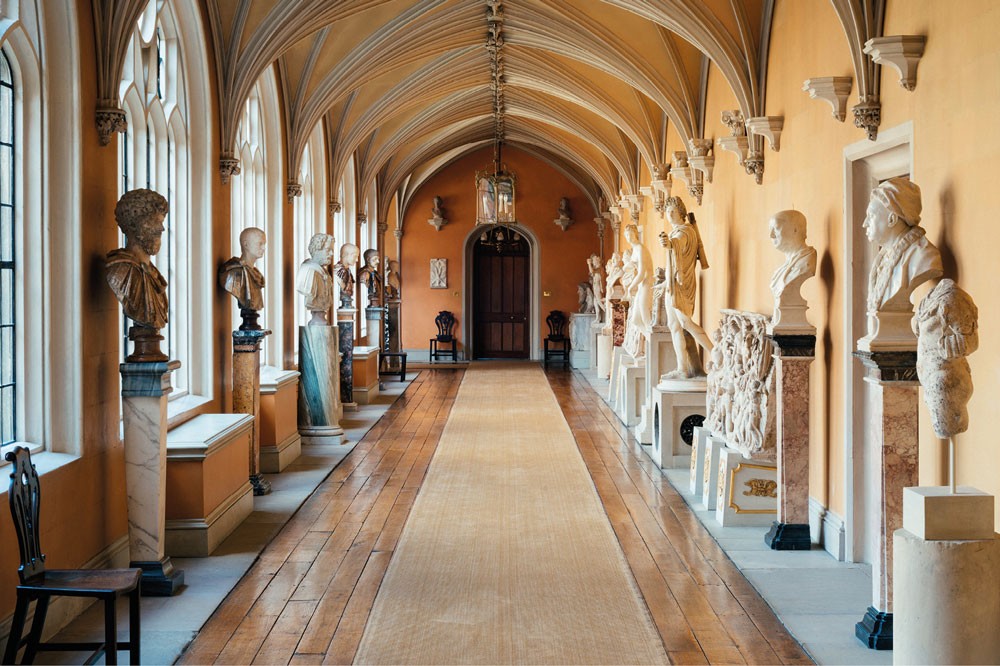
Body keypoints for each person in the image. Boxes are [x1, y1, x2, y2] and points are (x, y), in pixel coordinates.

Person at [659, 196, 713, 378]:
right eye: (667, 212)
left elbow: (677, 244)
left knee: (686, 322)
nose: (670, 214)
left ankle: (717, 354)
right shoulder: (677, 231)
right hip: (672, 285)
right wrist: (665, 283)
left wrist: (668, 243)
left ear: (681, 212)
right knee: (674, 326)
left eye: (673, 211)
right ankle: (682, 369)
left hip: (683, 284)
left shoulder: (685, 231)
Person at [106, 188, 170, 330]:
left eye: (162, 222)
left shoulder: (153, 273)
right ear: (135, 224)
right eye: (155, 221)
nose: (162, 229)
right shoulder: (121, 271)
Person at [220, 227, 267, 325]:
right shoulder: (233, 272)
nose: (263, 248)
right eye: (260, 243)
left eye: (264, 244)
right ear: (246, 244)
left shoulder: (256, 274)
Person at [296, 233, 335, 325]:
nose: (331, 253)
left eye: (332, 250)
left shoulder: (324, 272)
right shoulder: (308, 271)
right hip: (316, 321)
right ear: (317, 250)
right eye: (328, 250)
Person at [334, 243, 360, 309]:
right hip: (344, 300)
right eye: (355, 256)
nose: (357, 260)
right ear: (346, 255)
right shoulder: (339, 271)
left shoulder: (347, 270)